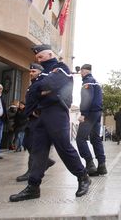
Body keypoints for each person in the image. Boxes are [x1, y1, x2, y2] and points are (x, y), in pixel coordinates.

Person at [10, 44, 91, 202]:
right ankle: (33, 187)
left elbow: (49, 84)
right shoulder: (43, 74)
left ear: (49, 54)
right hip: (41, 115)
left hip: (56, 113)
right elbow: (32, 93)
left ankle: (83, 177)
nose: (39, 60)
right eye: (37, 58)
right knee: (38, 151)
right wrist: (39, 92)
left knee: (63, 148)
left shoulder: (60, 68)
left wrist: (40, 89)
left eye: (41, 57)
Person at [15, 63, 55, 182]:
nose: (31, 73)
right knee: (27, 143)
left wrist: (37, 110)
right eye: (30, 71)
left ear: (40, 72)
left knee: (33, 144)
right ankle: (46, 161)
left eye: (33, 71)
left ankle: (31, 171)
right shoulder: (32, 84)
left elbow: (47, 98)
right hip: (30, 119)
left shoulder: (43, 82)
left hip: (38, 119)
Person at [75, 64, 107, 177]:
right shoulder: (96, 82)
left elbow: (87, 98)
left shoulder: (87, 81)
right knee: (95, 139)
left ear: (84, 71)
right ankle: (102, 165)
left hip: (90, 114)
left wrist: (83, 113)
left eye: (81, 72)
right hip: (97, 113)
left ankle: (90, 165)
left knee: (80, 139)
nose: (80, 74)